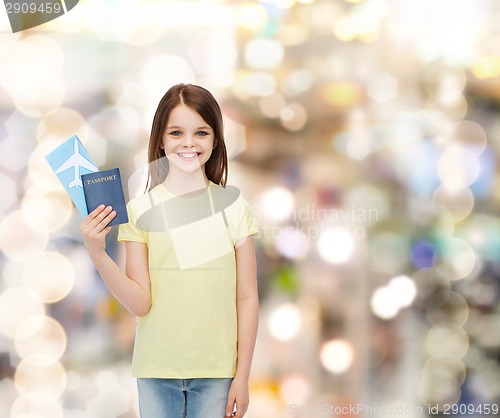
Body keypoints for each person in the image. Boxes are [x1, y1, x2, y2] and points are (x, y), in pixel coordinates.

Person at [80, 84, 259, 418]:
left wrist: (243, 376)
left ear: (215, 140)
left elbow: (246, 297)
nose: (188, 143)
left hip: (218, 372)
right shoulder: (140, 211)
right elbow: (140, 302)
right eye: (176, 132)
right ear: (160, 139)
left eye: (201, 132)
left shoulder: (234, 208)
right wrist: (98, 254)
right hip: (156, 372)